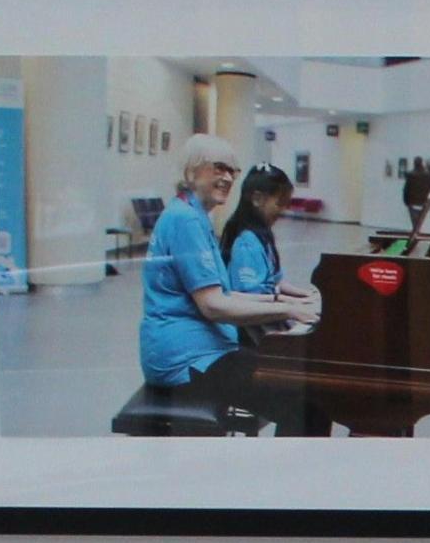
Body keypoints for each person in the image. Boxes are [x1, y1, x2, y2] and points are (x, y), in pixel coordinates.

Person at [137, 133, 319, 400]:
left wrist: (286, 303)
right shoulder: (185, 220)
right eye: (219, 168)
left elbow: (224, 294)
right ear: (192, 168)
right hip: (186, 359)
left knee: (299, 383)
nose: (229, 178)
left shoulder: (194, 215)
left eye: (233, 171)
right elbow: (213, 306)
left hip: (204, 349)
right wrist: (289, 308)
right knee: (300, 393)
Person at [217, 164, 302, 302]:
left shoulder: (262, 237)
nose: (283, 211)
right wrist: (292, 303)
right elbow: (249, 297)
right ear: (257, 199)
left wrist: (307, 296)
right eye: (280, 203)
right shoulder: (246, 243)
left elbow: (276, 282)